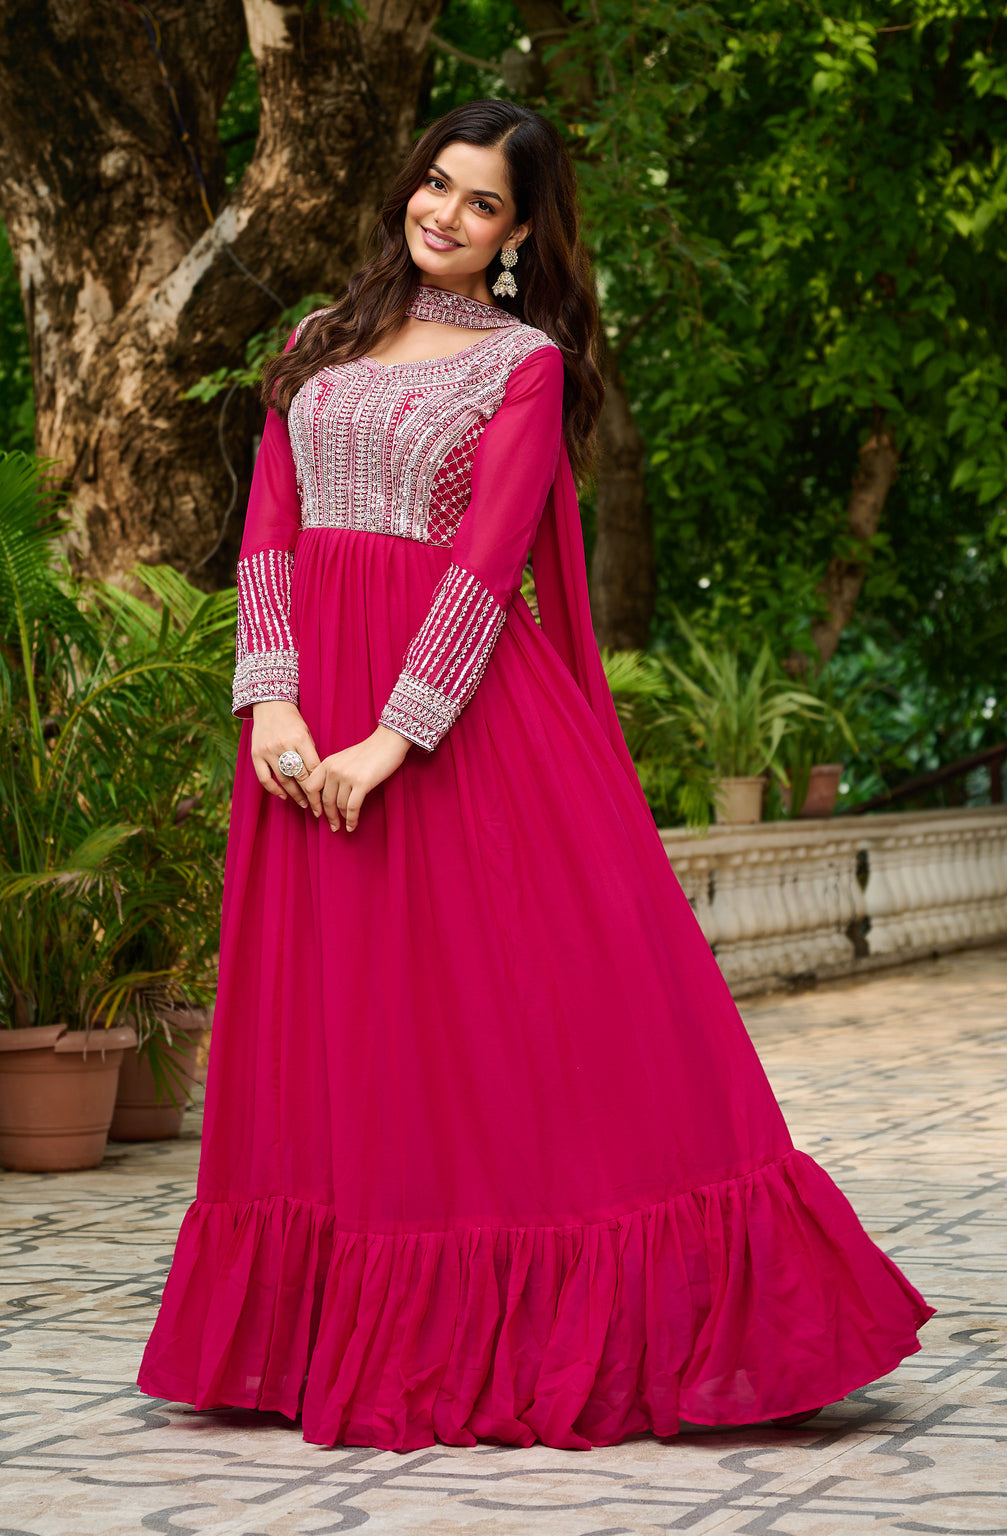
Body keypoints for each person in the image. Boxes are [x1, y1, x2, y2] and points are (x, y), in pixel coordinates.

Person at [138, 98, 933, 1452]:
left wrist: (388, 745)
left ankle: (571, 1319)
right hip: (300, 721)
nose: (443, 216)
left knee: (493, 1030)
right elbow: (270, 523)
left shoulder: (525, 366)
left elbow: (488, 563)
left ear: (520, 232)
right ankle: (317, 1334)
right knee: (341, 1025)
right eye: (434, 187)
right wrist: (270, 704)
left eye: (481, 204)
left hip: (447, 731)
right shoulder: (313, 341)